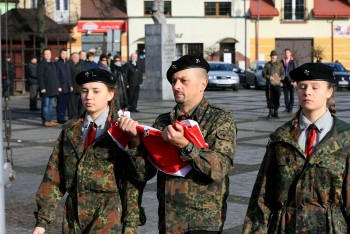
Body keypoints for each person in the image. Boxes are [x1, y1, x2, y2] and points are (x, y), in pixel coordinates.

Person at [125, 55, 237, 233]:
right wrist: (134, 143)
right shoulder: (163, 121)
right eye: (174, 81)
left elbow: (219, 168)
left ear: (203, 84)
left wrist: (185, 145)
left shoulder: (219, 119)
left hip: (202, 222)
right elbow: (143, 173)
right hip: (168, 220)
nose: (176, 86)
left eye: (184, 81)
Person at [33, 68, 153, 234]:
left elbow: (136, 179)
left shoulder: (121, 130)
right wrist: (42, 220)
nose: (88, 96)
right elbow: (54, 175)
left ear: (110, 94)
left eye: (96, 91)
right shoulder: (70, 130)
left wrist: (134, 142)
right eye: (84, 91)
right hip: (73, 219)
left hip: (109, 218)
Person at [243, 62, 350, 233]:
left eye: (315, 87)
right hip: (285, 227)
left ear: (329, 91)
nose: (307, 92)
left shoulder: (345, 137)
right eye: (302, 86)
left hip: (330, 228)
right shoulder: (281, 138)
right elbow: (262, 197)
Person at [37, 48, 60, 127]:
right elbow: (40, 76)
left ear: (51, 55)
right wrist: (42, 87)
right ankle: (45, 121)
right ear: (43, 55)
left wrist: (57, 86)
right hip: (45, 89)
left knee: (50, 106)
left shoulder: (52, 63)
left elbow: (55, 76)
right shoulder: (42, 64)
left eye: (49, 54)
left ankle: (50, 120)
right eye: (46, 54)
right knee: (45, 105)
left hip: (53, 88)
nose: (47, 55)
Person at [262, 50, 285, 118]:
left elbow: (283, 74)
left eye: (274, 56)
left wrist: (280, 78)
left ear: (276, 57)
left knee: (277, 98)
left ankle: (276, 112)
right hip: (269, 85)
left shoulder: (280, 64)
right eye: (272, 56)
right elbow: (263, 73)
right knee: (269, 98)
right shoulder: (267, 64)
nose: (273, 57)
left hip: (277, 84)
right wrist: (269, 77)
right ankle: (270, 112)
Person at [55, 48, 73, 124]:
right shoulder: (57, 63)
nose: (64, 55)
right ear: (60, 54)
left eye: (65, 54)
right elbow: (56, 76)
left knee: (65, 103)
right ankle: (60, 118)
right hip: (61, 87)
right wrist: (58, 86)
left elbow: (69, 76)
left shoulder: (67, 63)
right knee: (60, 103)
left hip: (68, 87)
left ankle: (63, 117)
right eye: (63, 54)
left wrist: (71, 85)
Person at [68, 52, 84, 119]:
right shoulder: (69, 65)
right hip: (71, 87)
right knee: (72, 104)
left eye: (77, 57)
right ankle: (72, 117)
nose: (76, 59)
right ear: (71, 58)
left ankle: (79, 116)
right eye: (74, 57)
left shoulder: (81, 65)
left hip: (80, 87)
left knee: (80, 104)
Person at [281, 48, 297, 113]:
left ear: (290, 53)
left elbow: (296, 71)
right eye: (285, 53)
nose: (286, 54)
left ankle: (290, 108)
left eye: (287, 53)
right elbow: (281, 71)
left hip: (291, 80)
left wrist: (295, 81)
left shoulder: (293, 61)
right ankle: (287, 107)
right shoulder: (283, 61)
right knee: (285, 95)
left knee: (291, 95)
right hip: (285, 79)